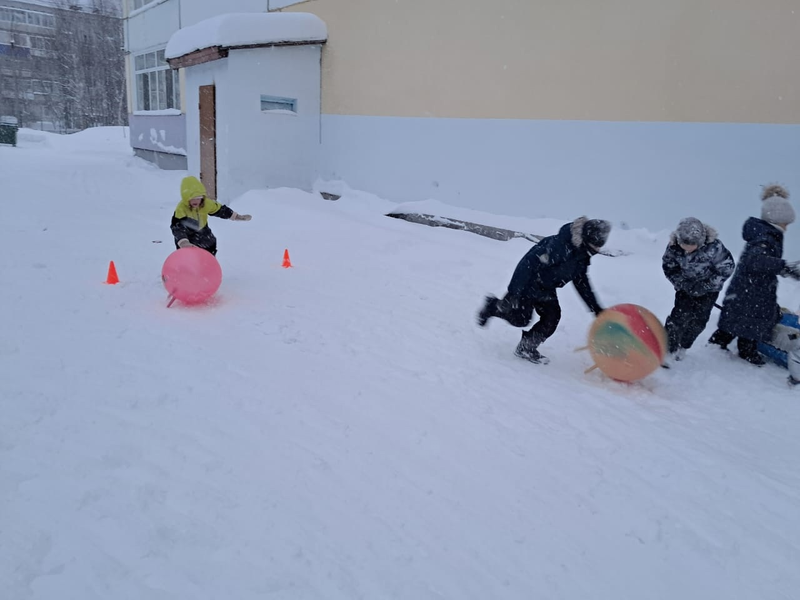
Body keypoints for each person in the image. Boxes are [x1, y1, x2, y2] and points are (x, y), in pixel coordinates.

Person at [476, 216, 610, 364]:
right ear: (587, 238)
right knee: (521, 319)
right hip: (529, 283)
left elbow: (581, 282)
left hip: (546, 287)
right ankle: (493, 306)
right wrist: (513, 293)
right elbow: (528, 264)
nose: (597, 250)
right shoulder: (560, 246)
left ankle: (526, 348)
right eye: (594, 246)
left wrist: (595, 307)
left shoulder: (581, 254)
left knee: (552, 317)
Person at [708, 184, 800, 365]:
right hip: (750, 289)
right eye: (785, 224)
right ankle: (731, 348)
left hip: (751, 288)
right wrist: (785, 266)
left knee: (744, 319)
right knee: (750, 321)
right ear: (776, 220)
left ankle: (733, 346)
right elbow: (755, 261)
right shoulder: (765, 238)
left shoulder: (765, 234)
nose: (786, 229)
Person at [661, 217, 735, 362]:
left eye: (692, 245)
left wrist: (705, 286)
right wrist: (683, 283)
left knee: (698, 320)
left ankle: (684, 346)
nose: (688, 248)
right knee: (678, 318)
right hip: (685, 289)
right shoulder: (673, 248)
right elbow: (669, 268)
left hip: (708, 292)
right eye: (684, 244)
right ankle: (668, 348)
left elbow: (726, 269)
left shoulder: (714, 248)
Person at [170, 175, 252, 256]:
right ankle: (186, 265)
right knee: (188, 254)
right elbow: (177, 227)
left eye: (198, 198)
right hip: (187, 235)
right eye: (192, 198)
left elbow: (220, 210)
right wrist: (183, 241)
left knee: (210, 243)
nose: (196, 201)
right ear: (186, 198)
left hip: (202, 230)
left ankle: (209, 263)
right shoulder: (181, 209)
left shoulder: (205, 204)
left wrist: (236, 216)